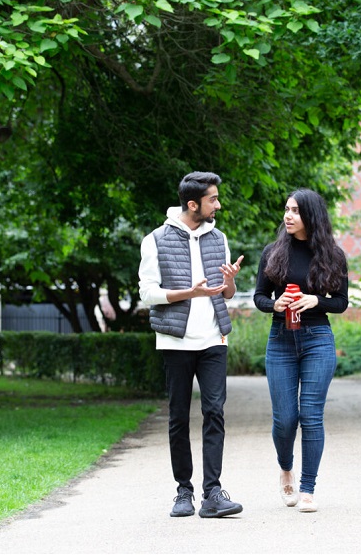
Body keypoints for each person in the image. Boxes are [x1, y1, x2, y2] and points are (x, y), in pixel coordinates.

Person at [138, 171, 244, 518]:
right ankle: (184, 492)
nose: (219, 204)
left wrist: (228, 282)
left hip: (214, 339)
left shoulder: (219, 238)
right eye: (213, 199)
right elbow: (148, 293)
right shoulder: (155, 239)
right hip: (175, 340)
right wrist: (191, 292)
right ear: (193, 204)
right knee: (178, 418)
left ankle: (213, 493)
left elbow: (226, 294)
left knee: (214, 412)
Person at [253, 188, 348, 513]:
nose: (288, 216)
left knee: (311, 415)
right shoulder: (273, 252)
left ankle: (308, 489)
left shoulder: (332, 255)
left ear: (311, 216)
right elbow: (259, 297)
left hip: (318, 339)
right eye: (286, 209)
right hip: (280, 338)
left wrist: (316, 300)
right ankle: (285, 467)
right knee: (285, 420)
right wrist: (275, 304)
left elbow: (341, 303)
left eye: (295, 211)